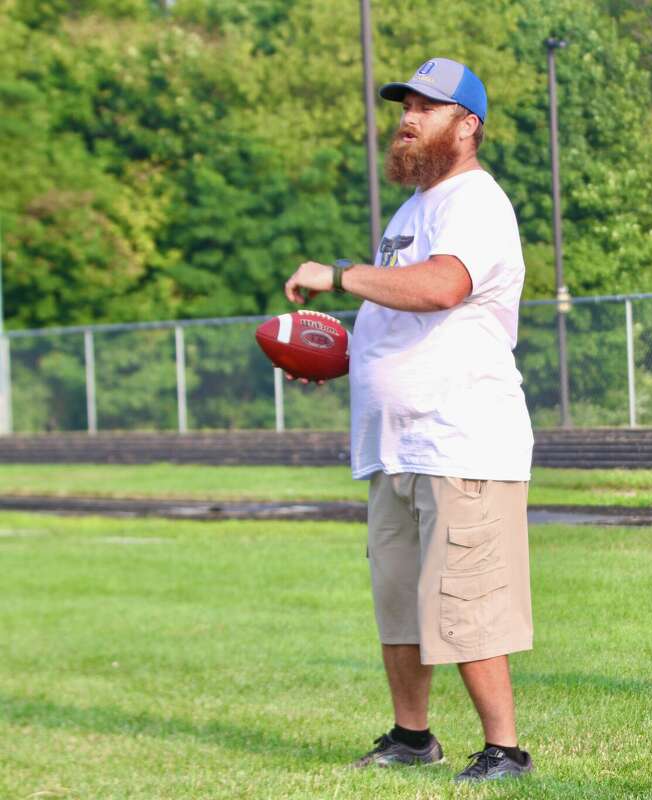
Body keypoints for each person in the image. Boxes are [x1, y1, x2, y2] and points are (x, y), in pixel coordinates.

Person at [284, 57, 535, 781]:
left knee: (464, 603)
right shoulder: (410, 211)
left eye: (427, 107)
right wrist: (339, 360)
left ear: (468, 125)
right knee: (400, 604)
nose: (407, 117)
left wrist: (339, 274)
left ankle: (505, 750)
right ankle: (411, 737)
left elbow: (442, 287)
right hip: (394, 445)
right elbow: (394, 322)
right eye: (405, 104)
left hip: (462, 440)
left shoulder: (476, 201)